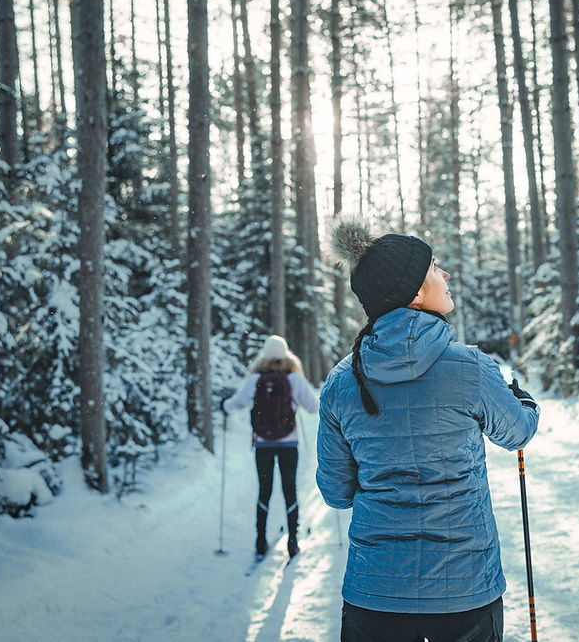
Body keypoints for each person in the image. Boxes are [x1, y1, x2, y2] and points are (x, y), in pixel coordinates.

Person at [317, 219, 539, 642]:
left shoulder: (343, 381)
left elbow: (336, 492)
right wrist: (524, 401)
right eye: (436, 267)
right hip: (464, 594)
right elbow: (517, 433)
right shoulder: (470, 367)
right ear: (416, 292)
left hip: (374, 595)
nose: (446, 275)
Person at [223, 335, 318, 559]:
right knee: (289, 489)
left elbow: (236, 403)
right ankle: (292, 542)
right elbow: (314, 407)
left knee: (264, 491)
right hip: (289, 444)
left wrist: (223, 405)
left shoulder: (256, 379)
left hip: (263, 445)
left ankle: (260, 541)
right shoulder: (294, 379)